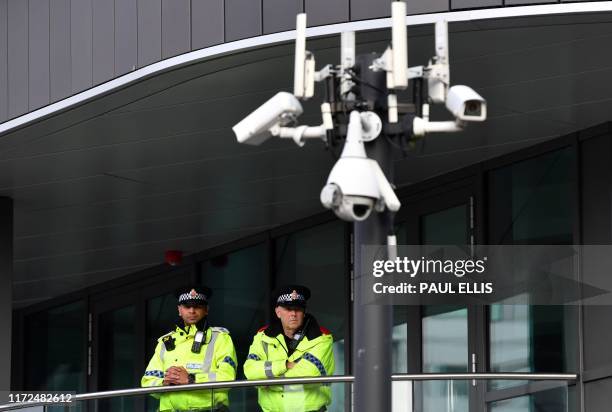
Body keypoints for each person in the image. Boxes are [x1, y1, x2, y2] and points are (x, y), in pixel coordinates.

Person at [141, 285, 237, 412]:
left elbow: (227, 377)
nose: (192, 311)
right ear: (179, 310)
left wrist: (191, 380)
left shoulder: (220, 338)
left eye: (197, 306)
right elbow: (148, 381)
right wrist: (165, 382)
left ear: (206, 309)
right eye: (187, 306)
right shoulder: (164, 342)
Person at [244, 285, 335, 412]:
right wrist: (284, 365)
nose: (293, 314)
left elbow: (308, 377)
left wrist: (267, 383)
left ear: (304, 312)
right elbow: (250, 371)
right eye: (288, 309)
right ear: (278, 312)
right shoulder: (262, 337)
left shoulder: (321, 338)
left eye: (298, 309)